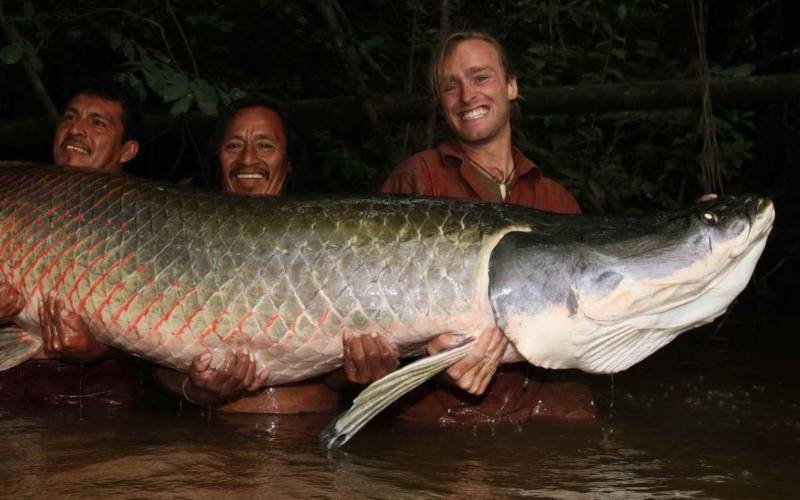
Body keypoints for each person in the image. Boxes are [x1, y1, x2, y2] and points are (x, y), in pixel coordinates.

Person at [373, 31, 596, 424]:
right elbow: (371, 304)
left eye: (480, 78)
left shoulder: (554, 199)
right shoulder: (418, 181)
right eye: (450, 86)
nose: (466, 96)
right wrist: (429, 352)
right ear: (441, 104)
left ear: (511, 86)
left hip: (547, 423)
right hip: (439, 426)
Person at [152, 94, 359, 413]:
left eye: (265, 145)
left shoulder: (328, 246)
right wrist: (194, 389)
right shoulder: (180, 243)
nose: (248, 160)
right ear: (218, 157)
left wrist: (360, 370)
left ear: (288, 162)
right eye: (233, 145)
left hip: (310, 442)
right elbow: (153, 357)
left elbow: (338, 376)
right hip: (210, 444)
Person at [0, 79, 145, 405]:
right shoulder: (14, 195)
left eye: (97, 123)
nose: (76, 129)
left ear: (127, 150)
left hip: (100, 389)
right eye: (69, 117)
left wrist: (98, 349)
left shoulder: (145, 220)